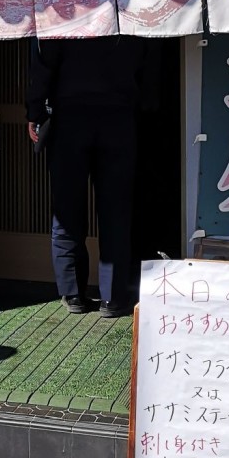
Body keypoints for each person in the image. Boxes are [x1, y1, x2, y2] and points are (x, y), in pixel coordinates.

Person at [26, 35, 154, 318]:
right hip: (120, 115)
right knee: (115, 211)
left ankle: (72, 293)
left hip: (68, 116)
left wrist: (35, 109)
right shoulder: (128, 4)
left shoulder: (62, 5)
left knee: (66, 209)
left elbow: (44, 62)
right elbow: (147, 59)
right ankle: (113, 297)